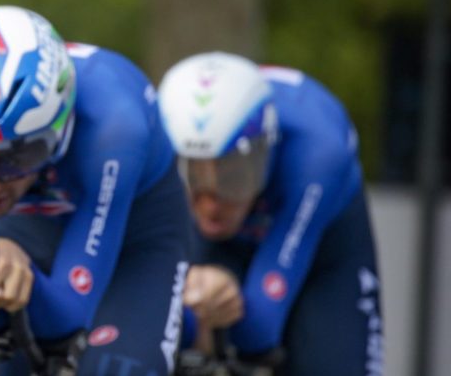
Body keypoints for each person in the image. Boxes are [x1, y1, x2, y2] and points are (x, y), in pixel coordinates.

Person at [0, 5, 191, 375]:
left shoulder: (115, 129)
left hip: (137, 234)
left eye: (20, 155)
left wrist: (16, 257)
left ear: (60, 128)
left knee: (116, 368)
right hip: (29, 220)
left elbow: (67, 318)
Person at [158, 51, 384, 375]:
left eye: (233, 177)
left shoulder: (318, 155)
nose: (211, 203)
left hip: (322, 248)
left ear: (266, 147)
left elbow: (258, 330)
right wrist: (190, 313)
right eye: (193, 177)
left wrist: (199, 310)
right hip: (226, 240)